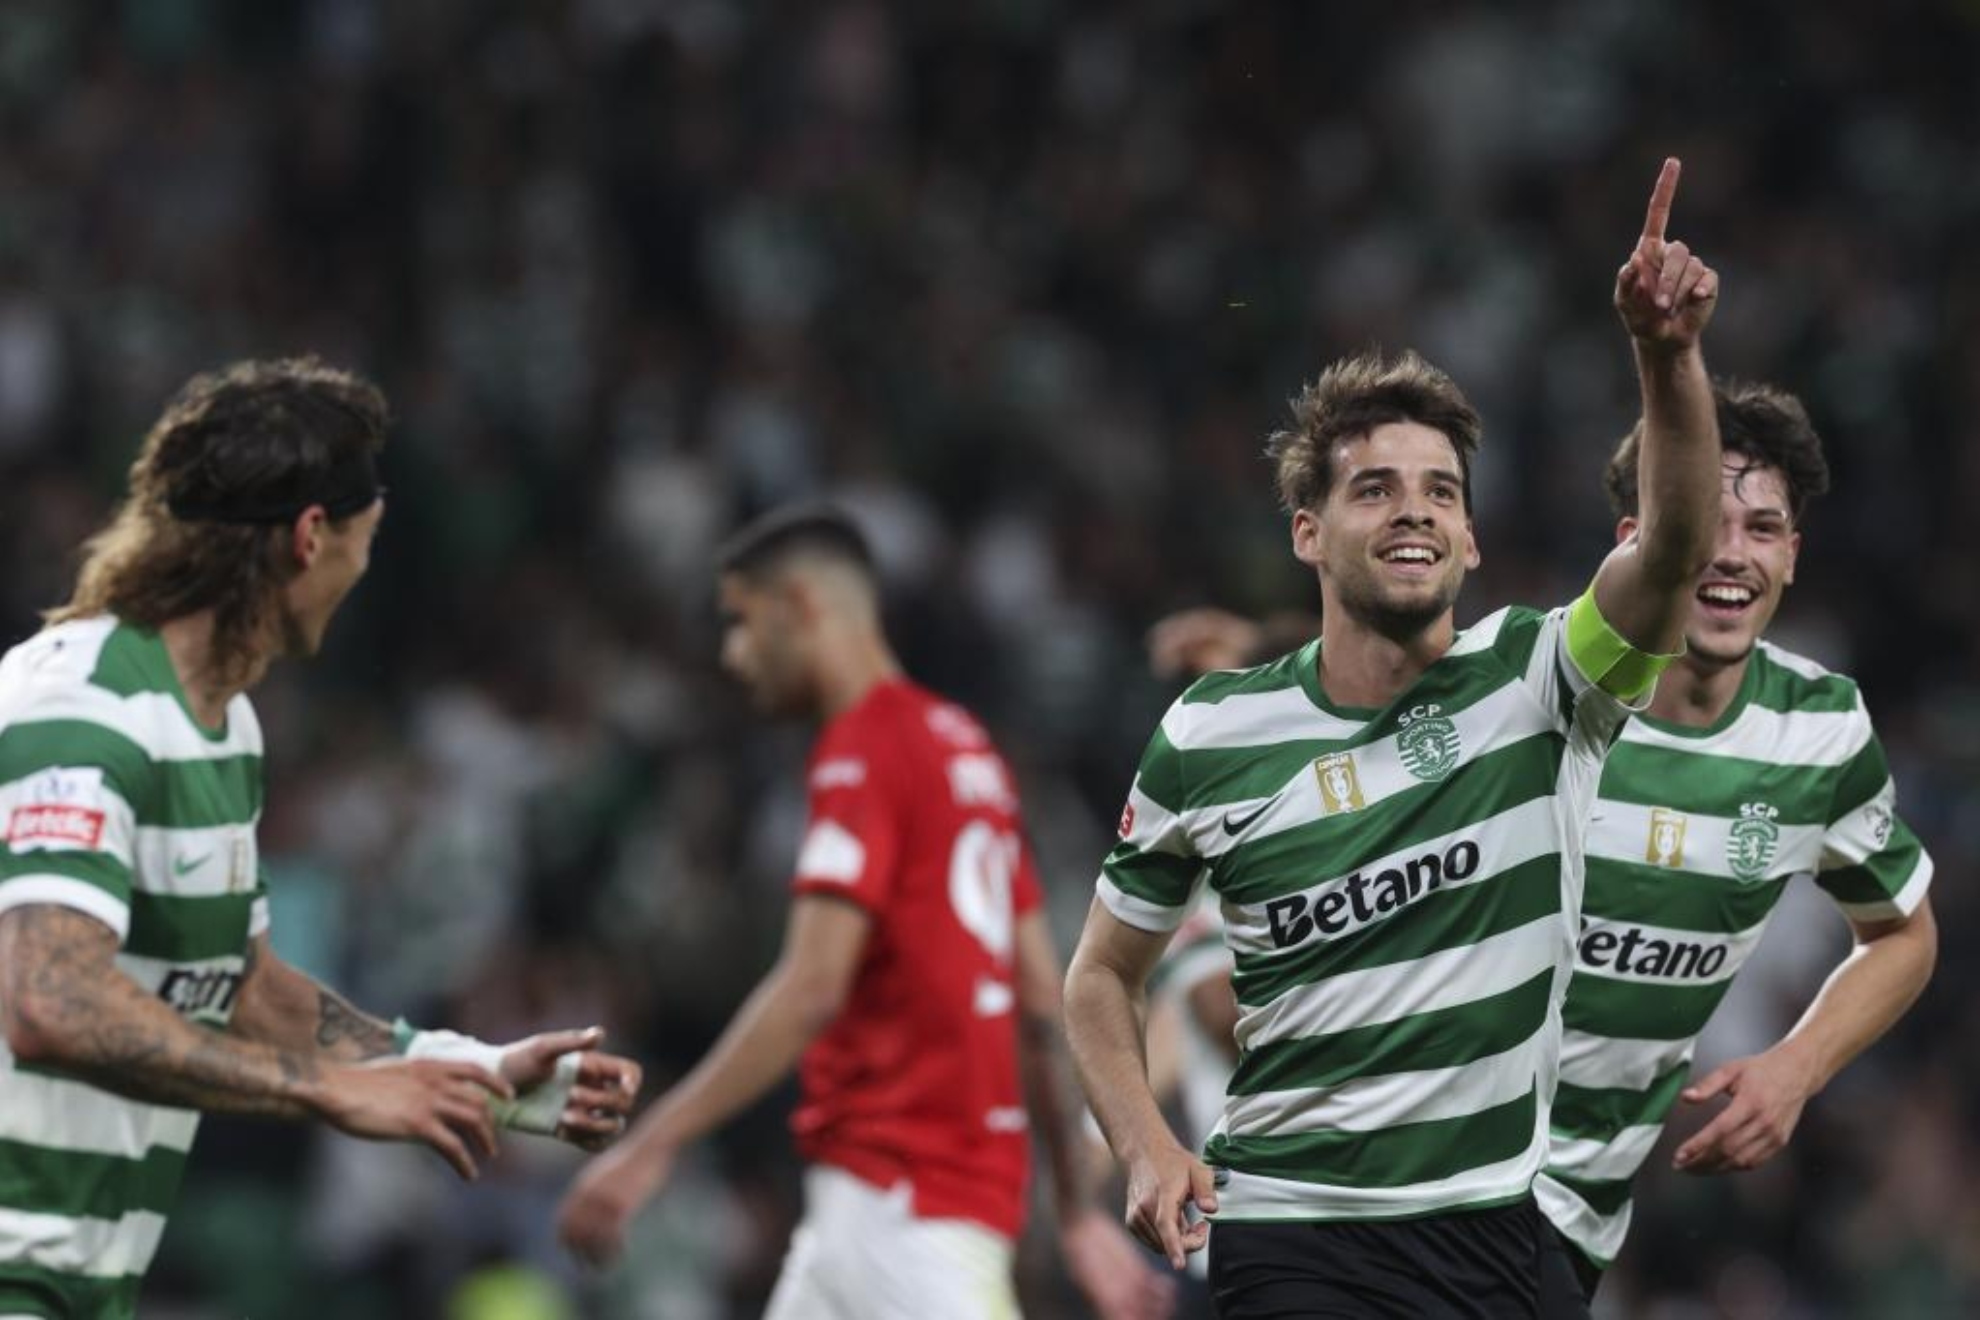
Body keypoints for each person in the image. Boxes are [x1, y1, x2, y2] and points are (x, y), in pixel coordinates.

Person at [1062, 157, 1724, 1318]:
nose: (1413, 506)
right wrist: (1145, 1144)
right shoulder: (1212, 730)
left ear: (1470, 539)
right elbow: (1100, 980)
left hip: (1499, 1243)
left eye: (1440, 490)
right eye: (1374, 489)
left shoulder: (1542, 680)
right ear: (1310, 534)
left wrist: (1666, 360)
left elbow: (1673, 548)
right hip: (1295, 1236)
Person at [1140, 381, 1940, 1313]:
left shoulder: (1821, 731)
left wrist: (1798, 1065)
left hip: (1584, 1211)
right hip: (1448, 1191)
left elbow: (1903, 933)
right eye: (1706, 525)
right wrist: (1262, 659)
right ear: (1644, 540)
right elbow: (1368, 699)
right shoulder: (1549, 701)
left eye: (1763, 530)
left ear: (1794, 556)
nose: (1729, 556)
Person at [0, 357, 642, 1319]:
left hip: (77, 1283)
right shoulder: (84, 705)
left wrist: (481, 1075)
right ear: (310, 537)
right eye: (366, 538)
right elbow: (46, 999)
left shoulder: (222, 723)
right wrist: (323, 1093)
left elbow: (249, 988)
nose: (363, 566)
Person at [555, 505, 1172, 1320]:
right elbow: (1035, 999)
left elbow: (812, 986)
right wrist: (1072, 1212)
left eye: (741, 622)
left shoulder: (863, 752)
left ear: (802, 606)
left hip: (905, 1217)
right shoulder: (969, 752)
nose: (732, 655)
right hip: (888, 1212)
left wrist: (650, 1145)